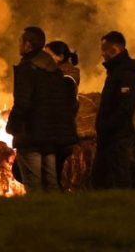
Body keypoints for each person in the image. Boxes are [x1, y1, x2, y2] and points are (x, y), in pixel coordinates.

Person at [4, 26, 68, 192]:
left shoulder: (27, 68)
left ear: (28, 45)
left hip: (31, 136)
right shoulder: (53, 70)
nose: (18, 45)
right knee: (51, 183)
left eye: (20, 42)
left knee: (34, 185)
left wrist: (12, 126)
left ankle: (37, 216)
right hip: (51, 137)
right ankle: (58, 216)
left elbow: (22, 103)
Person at [93, 30, 135, 189]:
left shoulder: (126, 73)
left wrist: (106, 126)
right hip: (109, 135)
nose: (102, 54)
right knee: (99, 178)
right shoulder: (116, 71)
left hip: (117, 135)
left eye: (104, 50)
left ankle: (124, 208)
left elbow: (125, 107)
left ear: (115, 49)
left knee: (119, 176)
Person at [44, 40, 80, 189]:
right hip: (58, 133)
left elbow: (63, 106)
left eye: (48, 55)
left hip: (59, 134)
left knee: (51, 178)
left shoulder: (66, 77)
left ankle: (55, 206)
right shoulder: (59, 74)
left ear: (59, 57)